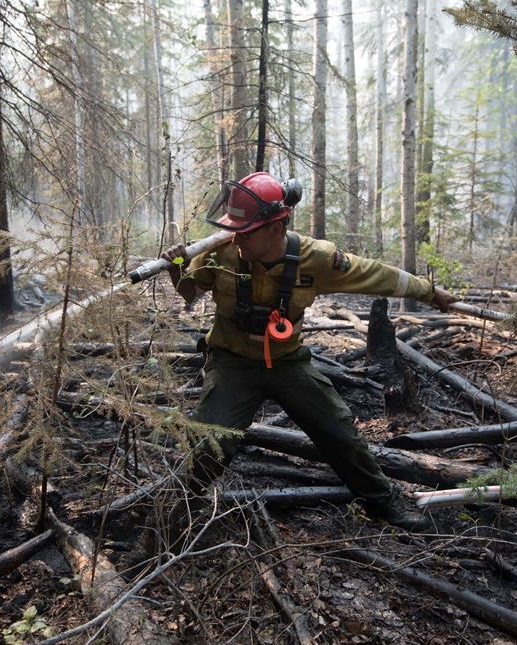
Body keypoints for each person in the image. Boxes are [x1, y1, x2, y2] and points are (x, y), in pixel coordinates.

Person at [157, 171, 455, 542]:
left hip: (287, 362)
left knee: (339, 431)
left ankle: (383, 504)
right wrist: (177, 269)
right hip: (232, 362)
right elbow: (189, 292)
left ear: (276, 226)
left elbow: (375, 274)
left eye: (246, 230)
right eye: (234, 228)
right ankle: (175, 513)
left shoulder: (315, 259)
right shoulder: (220, 251)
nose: (237, 236)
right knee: (211, 442)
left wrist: (429, 292)